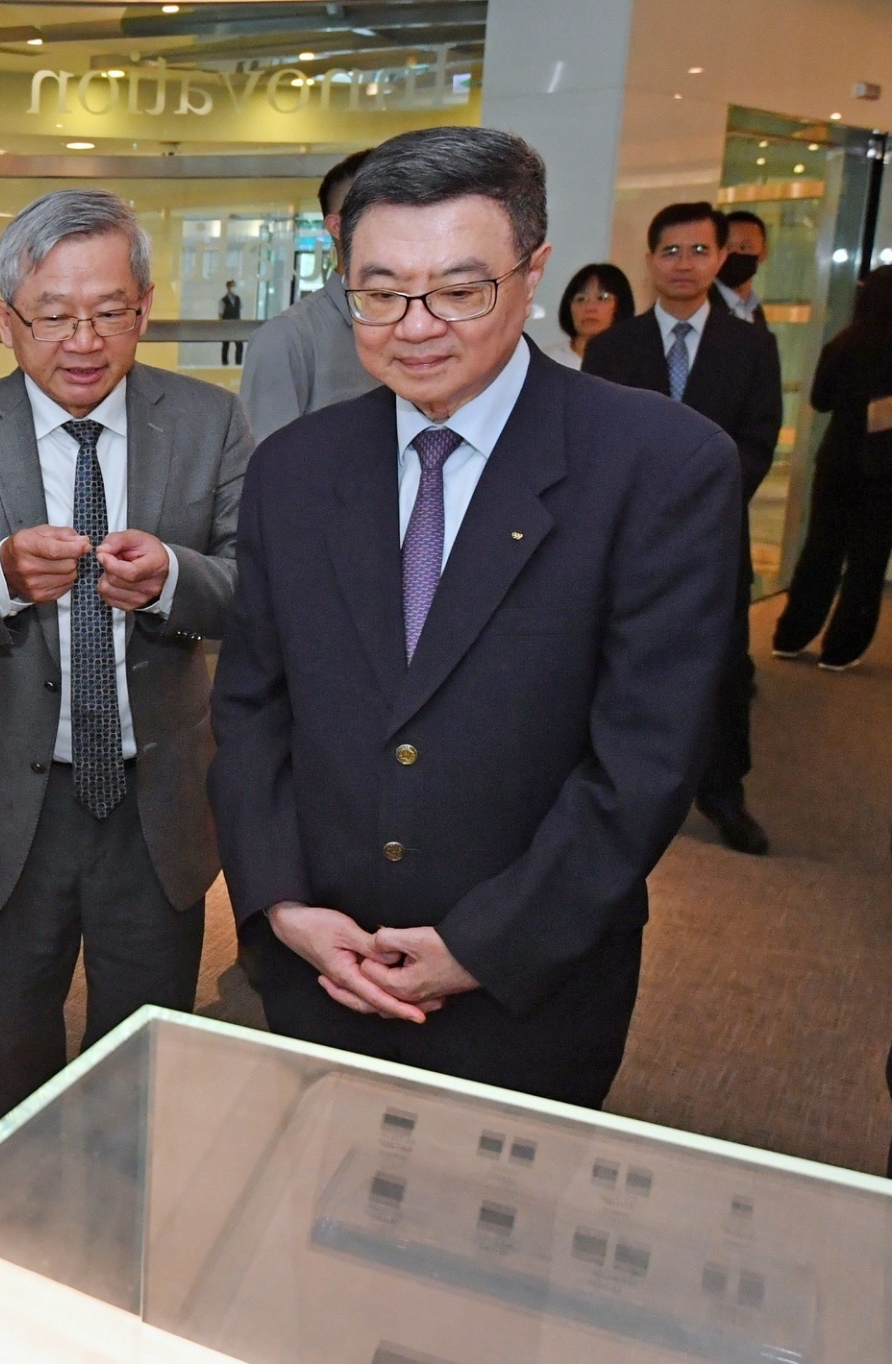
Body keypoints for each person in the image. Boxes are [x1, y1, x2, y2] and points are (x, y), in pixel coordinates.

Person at [210, 126, 739, 1109]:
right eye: (378, 292)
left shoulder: (660, 464)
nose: (414, 326)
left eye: (460, 290)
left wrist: (481, 945)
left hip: (529, 987)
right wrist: (280, 901)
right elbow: (250, 707)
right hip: (319, 965)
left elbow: (647, 759)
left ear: (532, 273)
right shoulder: (293, 469)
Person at [0, 189, 251, 1140]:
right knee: (4, 1066)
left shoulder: (210, 423)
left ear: (146, 307)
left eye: (110, 312)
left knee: (139, 1070)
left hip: (155, 806)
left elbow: (259, 594)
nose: (84, 341)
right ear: (6, 320)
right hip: (5, 810)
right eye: (53, 315)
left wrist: (174, 579)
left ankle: (121, 1224)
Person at [585, 202, 782, 856]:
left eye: (699, 251)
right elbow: (595, 446)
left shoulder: (752, 347)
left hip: (714, 540)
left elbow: (758, 441)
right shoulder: (614, 347)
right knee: (617, 663)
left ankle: (724, 793)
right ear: (650, 260)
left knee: (722, 670)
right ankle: (618, 788)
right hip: (627, 540)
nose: (684, 264)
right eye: (670, 251)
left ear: (721, 258)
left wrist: (694, 503)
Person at [772, 265, 892, 670]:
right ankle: (841, 648)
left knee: (821, 547)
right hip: (885, 465)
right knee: (867, 558)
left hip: (837, 457)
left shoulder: (842, 343)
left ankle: (792, 634)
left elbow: (820, 401)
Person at [239, 148, 379, 440]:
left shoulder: (424, 324)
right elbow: (268, 459)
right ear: (337, 227)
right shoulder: (286, 338)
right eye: (381, 212)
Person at [547, 262, 634, 368]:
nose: (589, 307)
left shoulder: (634, 363)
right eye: (581, 299)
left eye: (602, 298)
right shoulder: (547, 361)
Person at [714, 209, 770, 328]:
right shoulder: (701, 305)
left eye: (744, 247)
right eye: (727, 247)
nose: (734, 253)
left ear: (763, 253)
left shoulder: (754, 309)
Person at [219, 279, 245, 365]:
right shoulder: (223, 300)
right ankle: (225, 364)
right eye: (232, 286)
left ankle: (238, 363)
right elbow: (220, 314)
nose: (234, 288)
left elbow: (240, 310)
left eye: (235, 286)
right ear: (228, 288)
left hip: (237, 325)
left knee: (239, 345)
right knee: (226, 345)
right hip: (227, 325)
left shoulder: (238, 299)